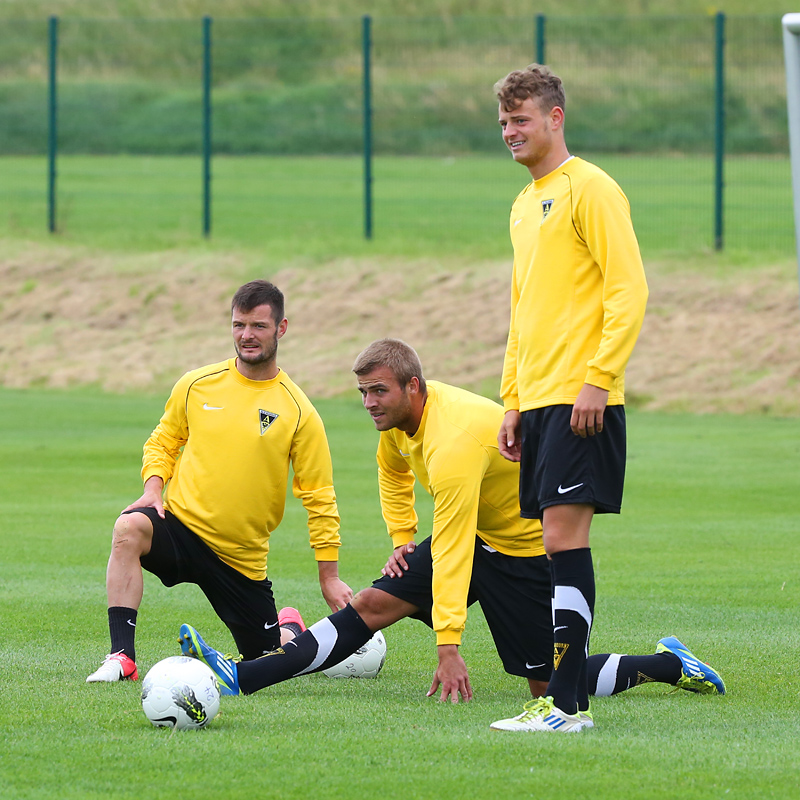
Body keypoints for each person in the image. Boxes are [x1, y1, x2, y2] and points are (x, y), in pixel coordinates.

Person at [175, 340, 723, 713]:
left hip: (521, 551)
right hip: (478, 537)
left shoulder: (453, 442)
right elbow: (392, 472)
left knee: (549, 685)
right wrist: (402, 539)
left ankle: (668, 664)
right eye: (363, 392)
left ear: (413, 386)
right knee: (370, 604)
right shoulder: (398, 423)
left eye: (379, 391)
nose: (369, 403)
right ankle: (244, 675)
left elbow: (456, 548)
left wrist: (448, 646)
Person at [86, 280, 352, 683]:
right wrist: (153, 488)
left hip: (240, 558)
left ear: (281, 328)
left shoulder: (299, 411)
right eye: (238, 325)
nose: (247, 335)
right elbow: (163, 441)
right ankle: (122, 657)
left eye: (259, 326)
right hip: (180, 527)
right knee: (129, 528)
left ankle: (289, 628)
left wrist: (328, 577)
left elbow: (319, 497)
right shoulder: (197, 384)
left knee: (266, 657)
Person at [491, 65, 650, 732]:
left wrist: (598, 379)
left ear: (555, 118)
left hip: (583, 399)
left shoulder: (592, 188)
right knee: (554, 544)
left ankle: (566, 705)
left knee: (562, 539)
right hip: (541, 402)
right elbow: (522, 311)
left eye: (521, 120)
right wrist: (512, 400)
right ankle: (564, 700)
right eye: (504, 122)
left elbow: (628, 291)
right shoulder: (524, 205)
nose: (510, 131)